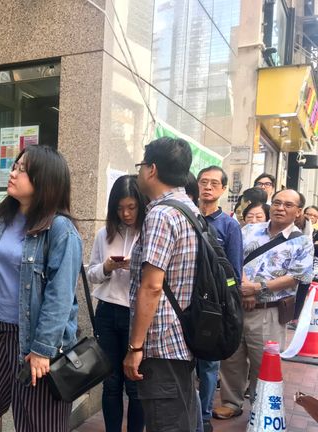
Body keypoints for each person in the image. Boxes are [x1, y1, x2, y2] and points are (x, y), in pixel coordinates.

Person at [0, 145, 83, 432]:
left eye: (23, 170)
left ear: (44, 180)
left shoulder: (60, 231)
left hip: (37, 343)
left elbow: (60, 296)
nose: (13, 173)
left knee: (37, 424)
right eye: (15, 166)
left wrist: (43, 349)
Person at [213, 189, 313, 420]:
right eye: (277, 202)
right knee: (232, 357)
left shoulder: (302, 242)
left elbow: (297, 276)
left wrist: (257, 289)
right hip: (237, 305)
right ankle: (231, 402)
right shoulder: (249, 229)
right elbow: (231, 258)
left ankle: (261, 406)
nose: (280, 208)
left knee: (264, 361)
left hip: (269, 311)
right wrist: (243, 287)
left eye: (288, 205)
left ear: (298, 212)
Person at [124, 137, 200, 432]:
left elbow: (152, 286)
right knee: (183, 419)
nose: (141, 172)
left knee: (166, 423)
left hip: (162, 344)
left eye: (141, 165)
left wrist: (136, 347)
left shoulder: (161, 214)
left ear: (151, 169)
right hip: (186, 336)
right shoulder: (189, 209)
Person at [87, 175, 146, 432]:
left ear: (141, 204)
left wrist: (136, 268)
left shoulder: (149, 232)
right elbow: (90, 274)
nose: (126, 213)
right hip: (107, 312)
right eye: (120, 208)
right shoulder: (104, 234)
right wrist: (107, 267)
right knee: (110, 382)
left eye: (131, 207)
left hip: (137, 313)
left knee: (135, 384)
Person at [195, 166, 244, 432]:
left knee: (209, 365)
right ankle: (189, 414)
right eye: (204, 182)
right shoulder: (188, 216)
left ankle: (203, 418)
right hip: (186, 302)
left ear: (223, 189)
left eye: (214, 183)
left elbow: (234, 274)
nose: (208, 187)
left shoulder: (229, 226)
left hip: (212, 307)